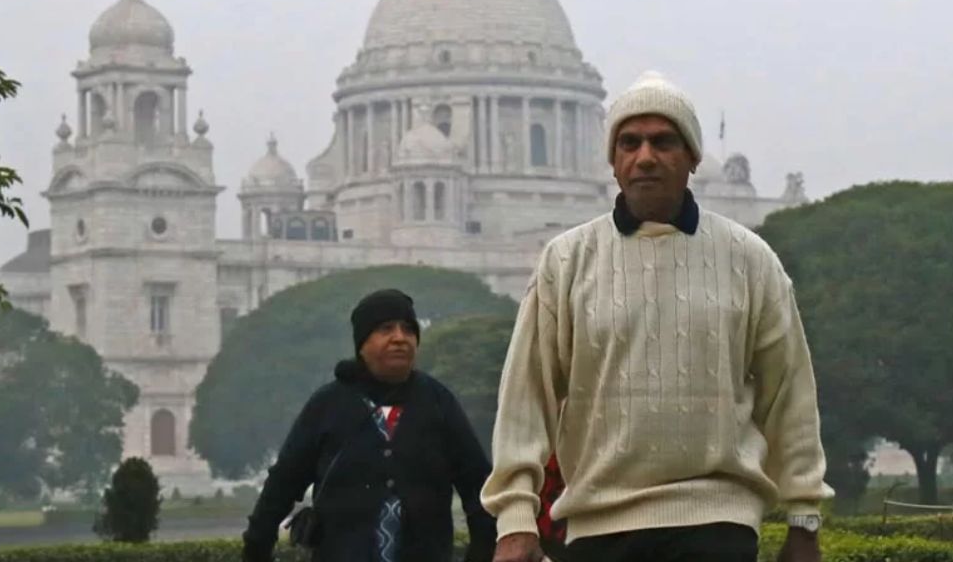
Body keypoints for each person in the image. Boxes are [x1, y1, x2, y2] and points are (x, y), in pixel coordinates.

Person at [481, 72, 833, 562]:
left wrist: (804, 519)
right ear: (612, 160)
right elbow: (526, 398)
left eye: (663, 141)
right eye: (630, 142)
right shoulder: (565, 260)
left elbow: (790, 395)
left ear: (692, 157)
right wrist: (515, 521)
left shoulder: (750, 258)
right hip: (598, 527)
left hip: (717, 521)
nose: (645, 156)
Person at [242, 288, 496, 562]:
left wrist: (483, 551)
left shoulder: (438, 401)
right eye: (386, 329)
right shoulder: (328, 404)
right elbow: (282, 485)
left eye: (408, 330)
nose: (399, 338)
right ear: (362, 343)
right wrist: (256, 549)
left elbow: (479, 486)